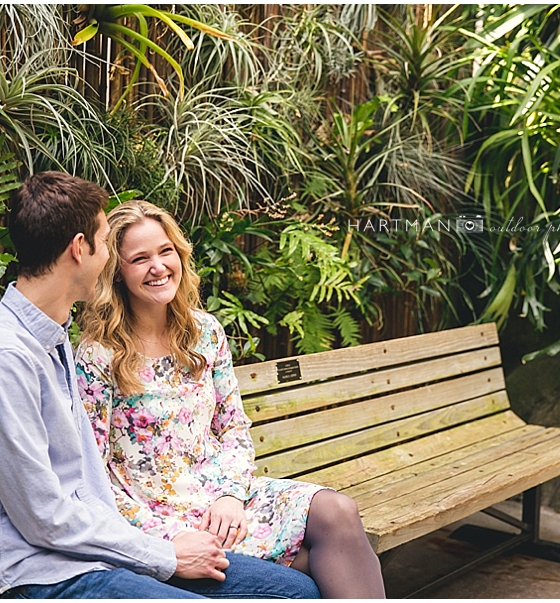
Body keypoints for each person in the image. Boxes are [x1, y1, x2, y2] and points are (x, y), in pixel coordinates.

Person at [0, 172, 321, 599]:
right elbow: (43, 518)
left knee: (295, 592)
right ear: (79, 250)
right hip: (43, 575)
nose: (108, 257)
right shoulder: (2, 359)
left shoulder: (50, 336)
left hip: (102, 551)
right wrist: (166, 555)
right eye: (105, 242)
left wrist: (159, 545)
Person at [75, 200, 387, 599]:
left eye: (165, 251)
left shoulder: (204, 332)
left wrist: (230, 495)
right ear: (117, 273)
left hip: (226, 501)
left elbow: (233, 428)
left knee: (338, 512)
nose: (158, 266)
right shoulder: (100, 355)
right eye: (140, 258)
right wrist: (169, 538)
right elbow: (94, 475)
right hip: (163, 522)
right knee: (322, 567)